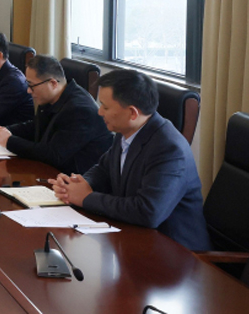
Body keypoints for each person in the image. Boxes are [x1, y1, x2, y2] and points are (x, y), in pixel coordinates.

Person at [49, 69, 211, 251]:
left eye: (105, 107)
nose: (99, 112)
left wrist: (86, 198)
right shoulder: (127, 130)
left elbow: (148, 212)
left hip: (176, 252)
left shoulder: (169, 149)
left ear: (132, 113)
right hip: (135, 237)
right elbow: (104, 168)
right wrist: (80, 184)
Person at [0, 55, 113, 175]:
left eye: (31, 85)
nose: (28, 91)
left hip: (75, 180)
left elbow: (53, 155)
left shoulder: (79, 111)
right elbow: (35, 126)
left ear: (53, 83)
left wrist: (9, 141)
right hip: (52, 173)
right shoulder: (52, 97)